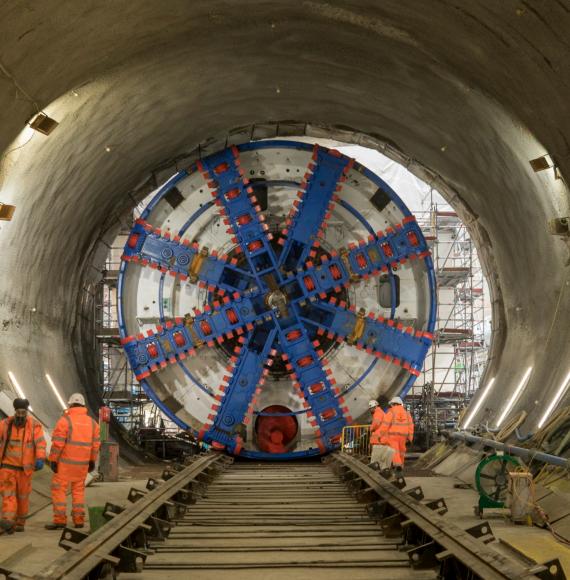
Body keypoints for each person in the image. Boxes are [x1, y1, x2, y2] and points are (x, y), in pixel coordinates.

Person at [45, 393, 100, 530]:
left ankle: (60, 520)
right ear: (83, 405)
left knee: (59, 491)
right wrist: (92, 461)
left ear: (70, 405)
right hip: (81, 465)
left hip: (65, 465)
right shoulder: (93, 423)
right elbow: (95, 445)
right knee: (78, 491)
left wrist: (53, 460)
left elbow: (58, 444)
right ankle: (79, 520)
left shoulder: (65, 421)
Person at [0, 398, 46, 534]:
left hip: (25, 470)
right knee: (9, 495)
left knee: (23, 497)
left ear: (27, 412)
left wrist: (41, 457)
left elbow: (40, 443)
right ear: (15, 412)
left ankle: (20, 522)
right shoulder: (5, 424)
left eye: (23, 413)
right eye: (18, 413)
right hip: (7, 468)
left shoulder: (34, 426)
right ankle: (8, 520)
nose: (20, 416)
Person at [378, 396, 414, 471]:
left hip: (393, 436)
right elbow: (411, 426)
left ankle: (398, 466)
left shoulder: (391, 411)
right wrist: (410, 437)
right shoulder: (406, 413)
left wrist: (380, 434)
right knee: (401, 451)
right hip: (403, 436)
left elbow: (385, 424)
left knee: (395, 451)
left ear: (393, 404)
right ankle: (401, 465)